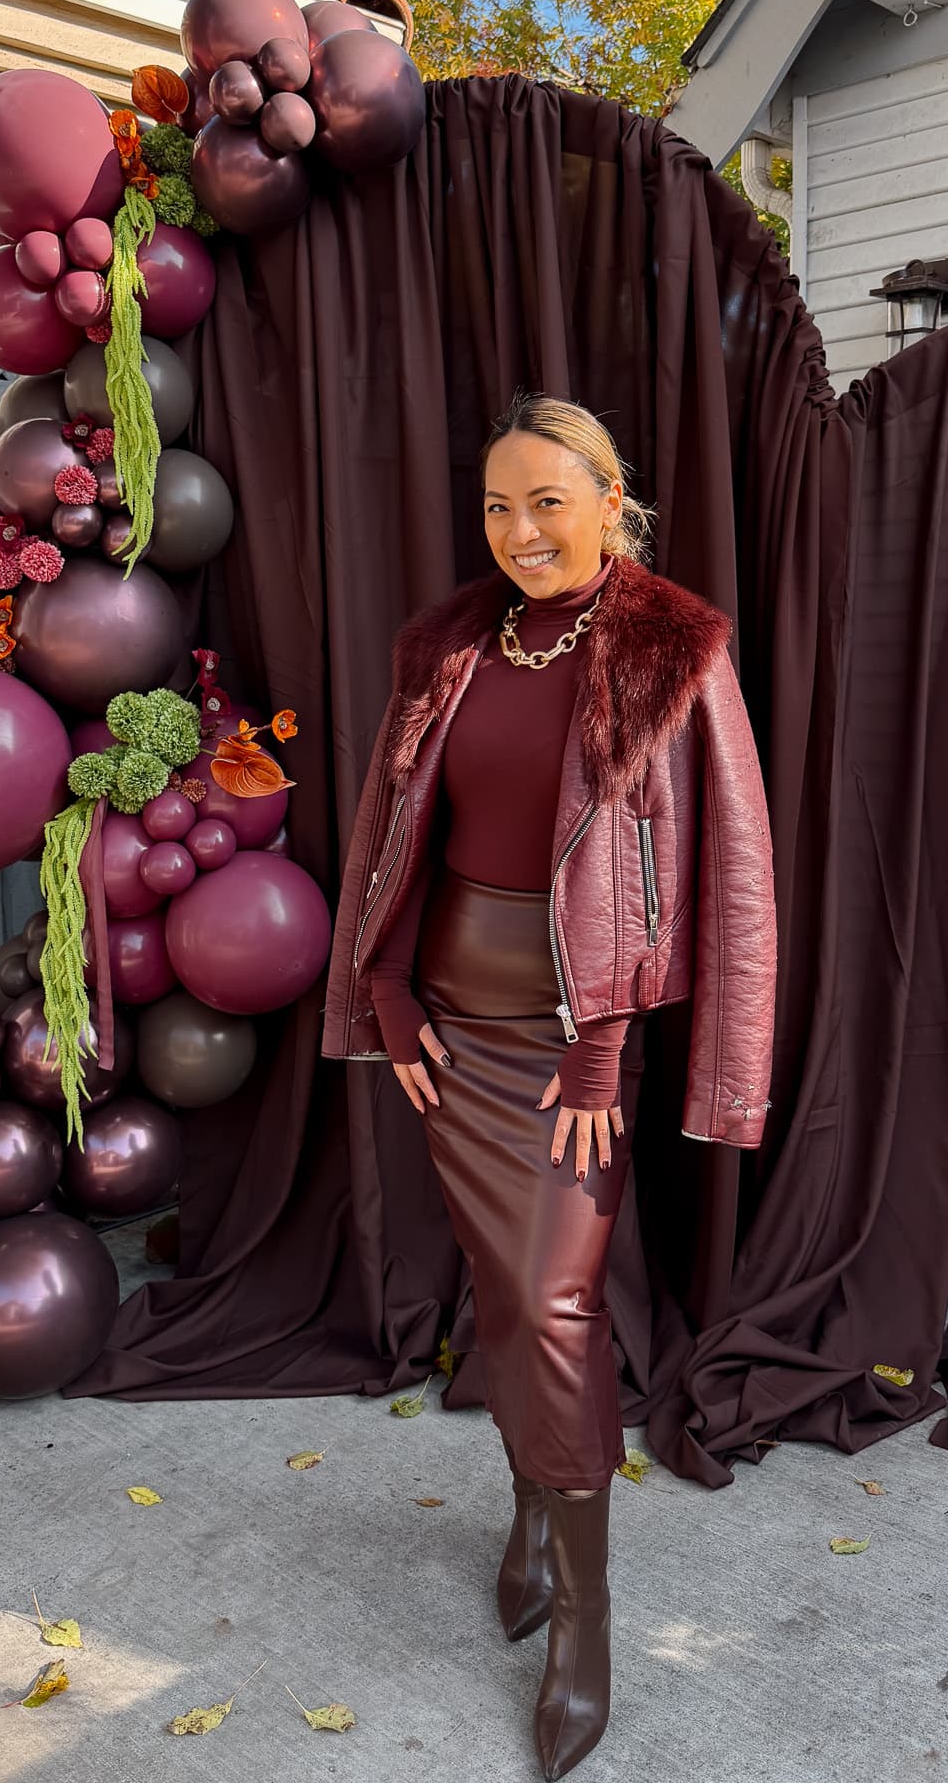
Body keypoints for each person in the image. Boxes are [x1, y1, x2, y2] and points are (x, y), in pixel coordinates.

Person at [321, 391, 776, 1777]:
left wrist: (606, 1045)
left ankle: (584, 1625)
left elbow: (724, 864)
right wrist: (383, 989)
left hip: (572, 1046)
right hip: (452, 1031)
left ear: (611, 504)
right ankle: (530, 1514)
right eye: (497, 507)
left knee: (554, 1302)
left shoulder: (671, 646)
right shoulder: (451, 644)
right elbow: (395, 824)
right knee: (511, 1295)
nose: (520, 531)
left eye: (548, 503)